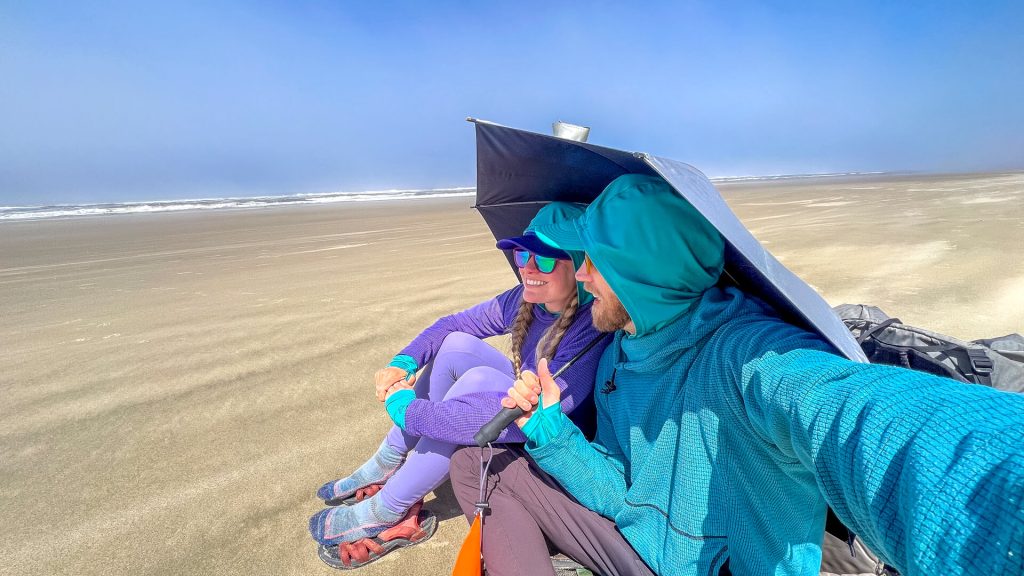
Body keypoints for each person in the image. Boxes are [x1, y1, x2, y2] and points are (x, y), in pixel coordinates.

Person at [450, 174, 1024, 576]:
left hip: (703, 564)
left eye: (597, 263)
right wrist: (552, 427)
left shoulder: (745, 353)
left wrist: (999, 489)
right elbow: (619, 486)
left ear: (642, 275)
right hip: (643, 539)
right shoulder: (620, 357)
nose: (586, 277)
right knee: (482, 460)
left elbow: (858, 416)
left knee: (476, 466)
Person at [308, 203, 611, 566]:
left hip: (548, 439)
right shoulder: (524, 299)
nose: (528, 268)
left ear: (579, 267)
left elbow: (517, 416)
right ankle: (390, 462)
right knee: (455, 346)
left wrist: (408, 410)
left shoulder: (591, 327)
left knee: (478, 383)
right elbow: (451, 325)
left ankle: (390, 507)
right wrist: (403, 362)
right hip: (518, 403)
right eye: (522, 254)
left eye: (544, 260)